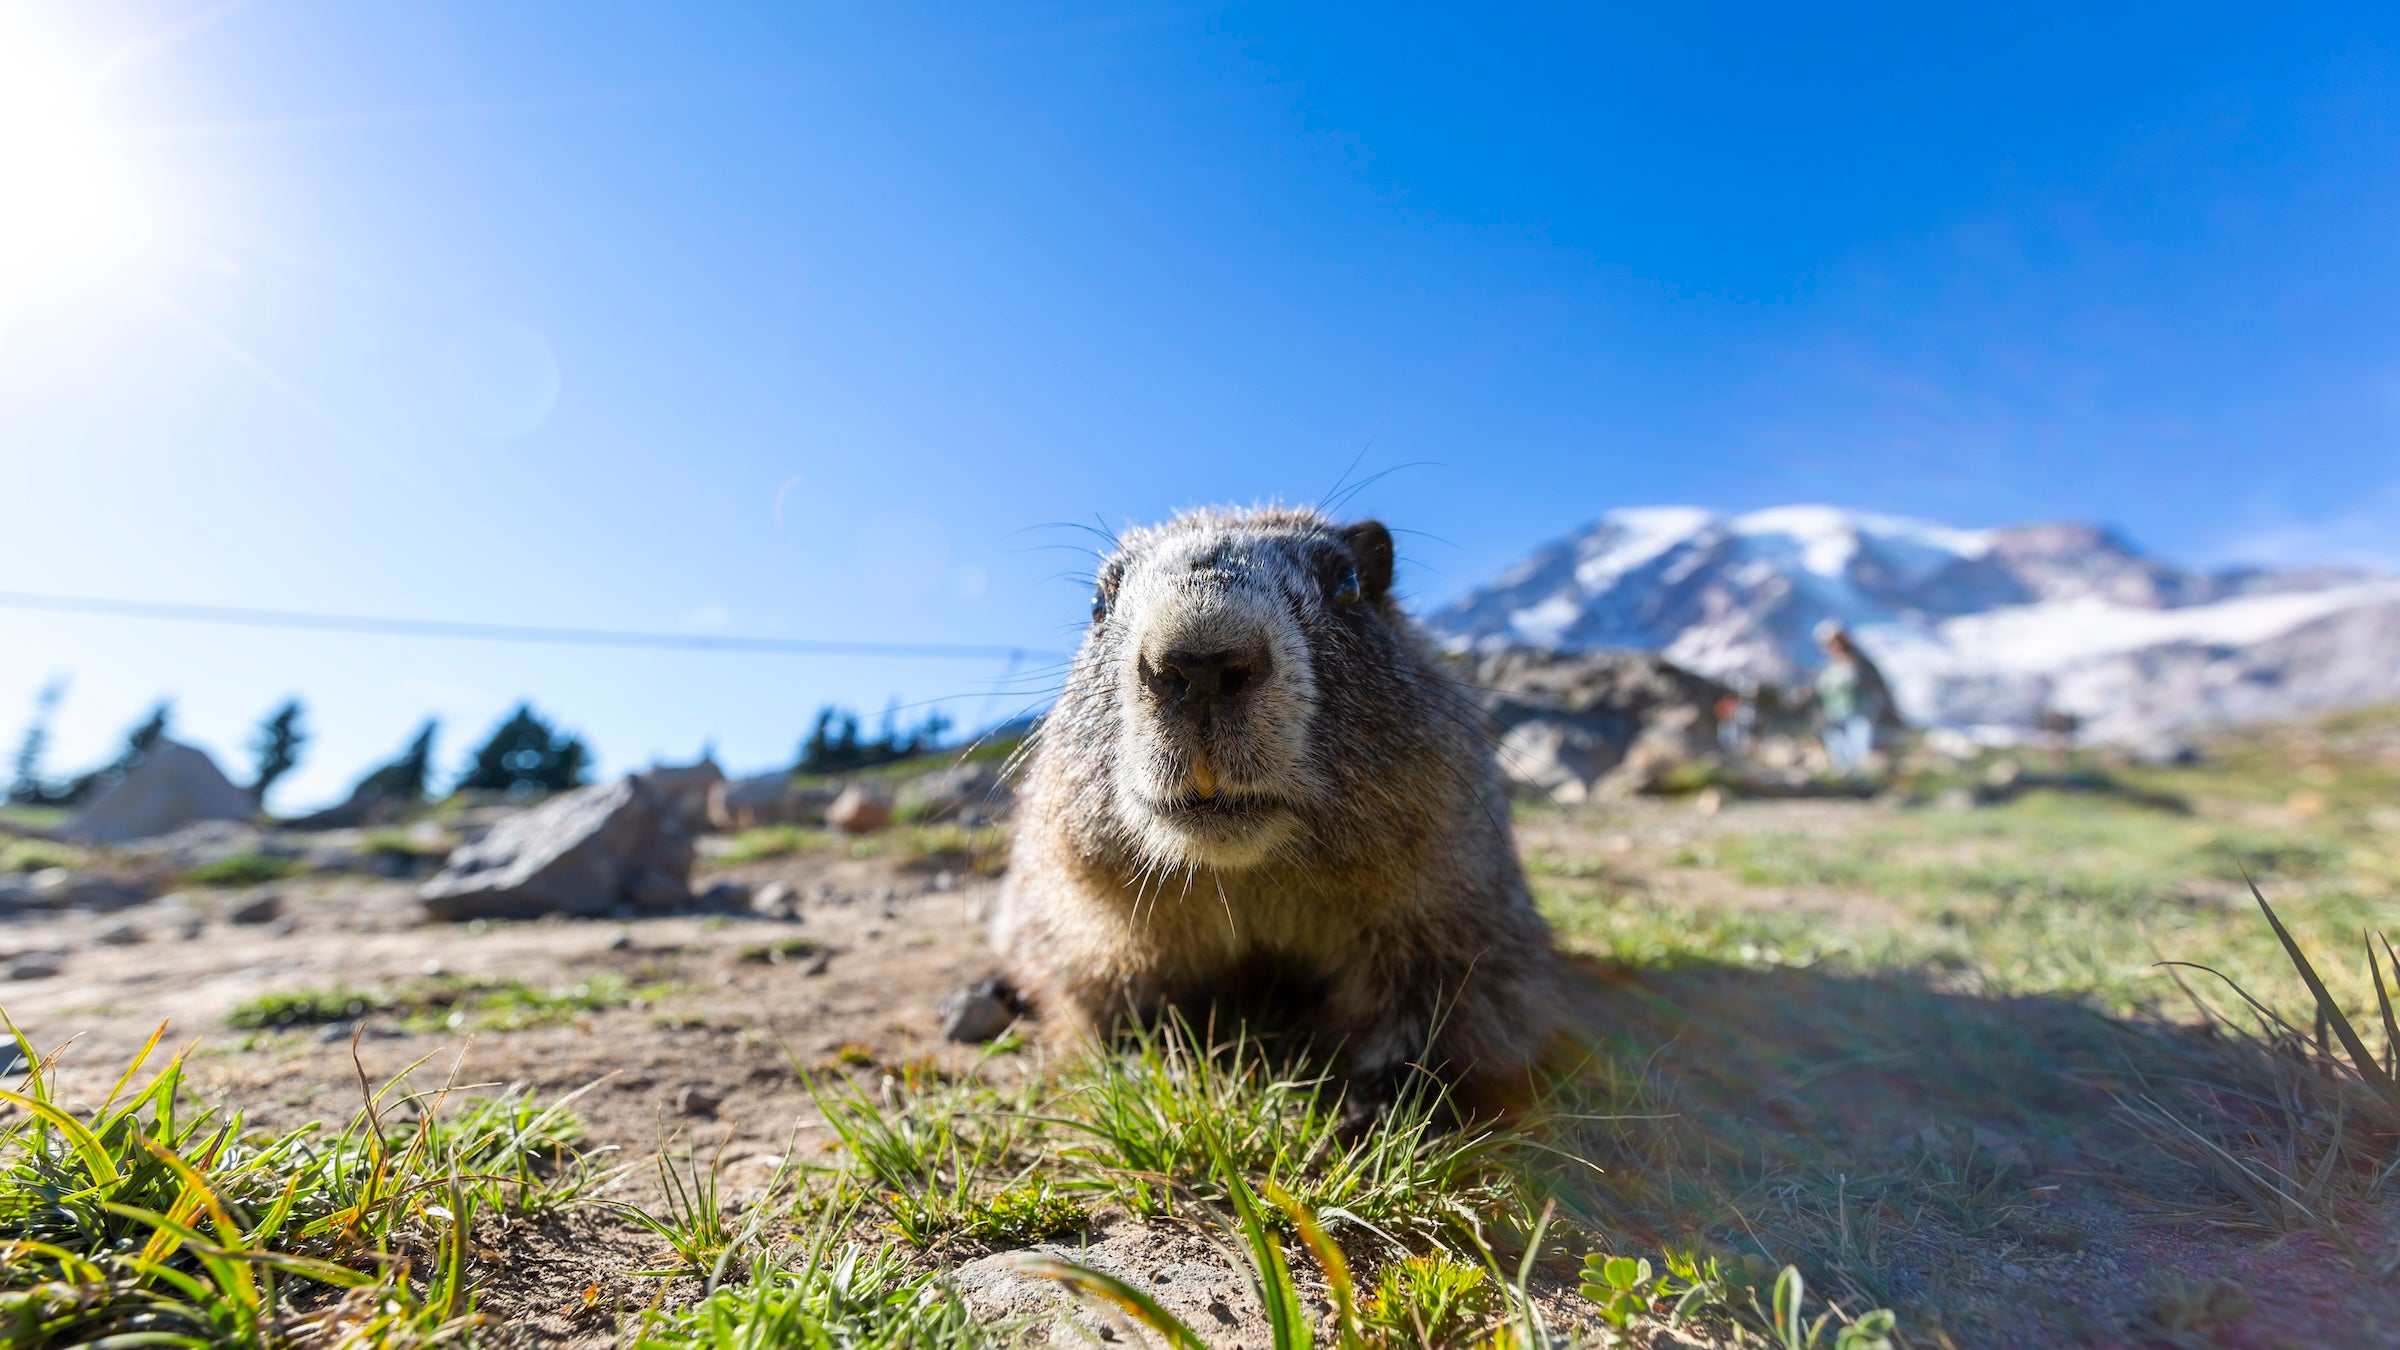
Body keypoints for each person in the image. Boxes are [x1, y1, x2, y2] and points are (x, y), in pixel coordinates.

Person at [1814, 620, 1892, 774]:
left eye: (1838, 641)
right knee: (1838, 750)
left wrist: (1878, 712)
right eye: (1831, 643)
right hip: (1834, 715)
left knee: (1859, 750)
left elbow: (1877, 689)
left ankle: (1861, 779)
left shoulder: (1861, 665)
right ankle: (1844, 779)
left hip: (1860, 714)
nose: (1835, 646)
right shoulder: (1828, 668)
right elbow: (1820, 692)